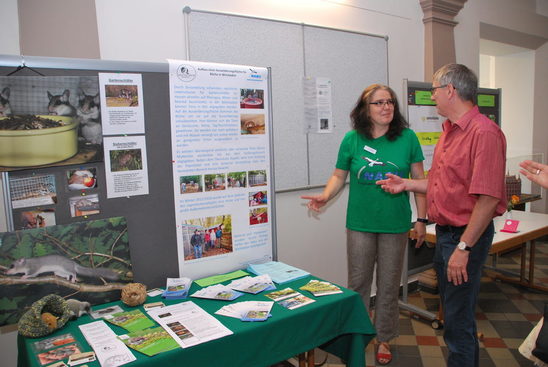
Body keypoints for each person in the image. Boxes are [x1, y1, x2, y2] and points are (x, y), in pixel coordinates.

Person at [377, 64, 507, 367]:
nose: (431, 96)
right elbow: (440, 181)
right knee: (453, 315)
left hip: (464, 238)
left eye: (434, 89)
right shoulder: (450, 131)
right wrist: (406, 184)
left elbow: (488, 200)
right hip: (447, 235)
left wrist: (464, 248)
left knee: (459, 321)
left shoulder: (484, 133)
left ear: (450, 90)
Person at [301, 83, 427, 365]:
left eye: (390, 102)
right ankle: (356, 337)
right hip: (360, 223)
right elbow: (338, 176)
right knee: (358, 283)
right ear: (365, 109)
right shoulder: (352, 139)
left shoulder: (407, 138)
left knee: (388, 284)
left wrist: (421, 219)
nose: (386, 107)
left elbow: (420, 183)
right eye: (379, 103)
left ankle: (384, 337)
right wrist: (325, 195)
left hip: (395, 224)